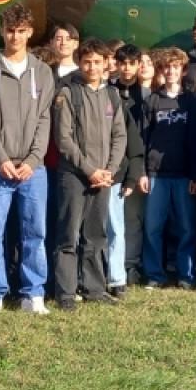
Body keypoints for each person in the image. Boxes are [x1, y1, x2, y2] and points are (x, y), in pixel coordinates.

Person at [0, 4, 56, 320]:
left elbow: (44, 119)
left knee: (35, 232)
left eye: (21, 31)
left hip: (33, 170)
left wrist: (34, 159)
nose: (15, 37)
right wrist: (1, 157)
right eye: (10, 30)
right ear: (1, 31)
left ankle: (33, 293)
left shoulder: (42, 72)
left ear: (30, 32)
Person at [51, 39, 127, 309]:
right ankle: (66, 293)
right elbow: (64, 138)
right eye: (87, 62)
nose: (92, 67)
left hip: (104, 176)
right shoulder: (68, 93)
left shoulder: (112, 95)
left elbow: (119, 135)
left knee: (96, 235)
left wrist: (110, 169)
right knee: (69, 234)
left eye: (97, 62)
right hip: (74, 175)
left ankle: (94, 288)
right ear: (79, 63)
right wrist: (89, 170)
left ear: (105, 63)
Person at [141, 48, 196, 289]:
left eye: (175, 67)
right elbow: (143, 138)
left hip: (184, 174)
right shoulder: (152, 100)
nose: (170, 71)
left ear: (183, 70)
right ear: (161, 70)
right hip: (156, 174)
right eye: (166, 67)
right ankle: (155, 274)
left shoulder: (191, 101)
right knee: (153, 227)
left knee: (186, 228)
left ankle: (185, 275)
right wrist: (143, 172)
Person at [110, 44, 149, 289]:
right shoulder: (108, 91)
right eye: (122, 63)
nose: (127, 69)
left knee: (133, 217)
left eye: (131, 63)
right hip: (113, 163)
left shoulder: (146, 95)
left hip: (137, 161)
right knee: (111, 220)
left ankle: (130, 263)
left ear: (138, 65)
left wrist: (141, 168)